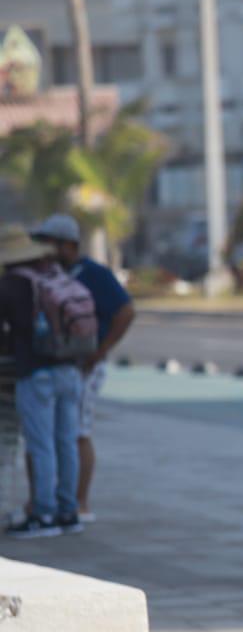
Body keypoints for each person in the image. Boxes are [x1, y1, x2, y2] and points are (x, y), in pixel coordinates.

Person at [29, 214, 135, 522]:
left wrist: (101, 351)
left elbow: (126, 311)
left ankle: (79, 502)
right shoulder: (43, 274)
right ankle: (48, 500)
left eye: (48, 242)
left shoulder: (94, 274)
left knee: (77, 432)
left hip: (85, 366)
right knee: (49, 434)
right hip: (55, 364)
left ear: (68, 245)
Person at [0, 225, 85, 538]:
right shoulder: (54, 276)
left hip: (36, 373)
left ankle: (43, 514)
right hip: (69, 370)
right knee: (66, 443)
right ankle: (69, 512)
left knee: (41, 445)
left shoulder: (10, 284)